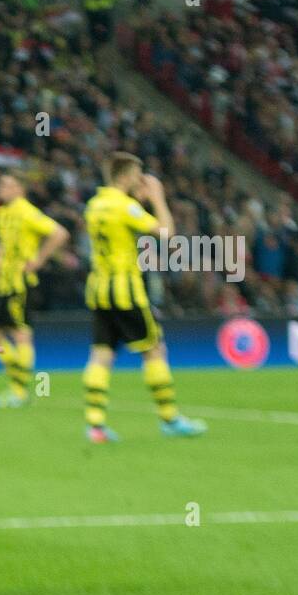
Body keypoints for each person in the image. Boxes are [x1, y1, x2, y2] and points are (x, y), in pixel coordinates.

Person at [81, 152, 207, 442]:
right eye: (137, 176)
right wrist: (158, 198)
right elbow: (166, 233)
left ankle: (95, 425)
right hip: (126, 291)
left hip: (99, 289)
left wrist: (137, 200)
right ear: (125, 176)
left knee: (101, 354)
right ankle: (170, 419)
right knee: (154, 350)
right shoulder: (125, 206)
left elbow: (121, 228)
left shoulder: (95, 205)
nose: (141, 181)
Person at [0, 172, 68, 407]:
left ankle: (18, 391)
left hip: (20, 282)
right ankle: (17, 385)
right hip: (4, 282)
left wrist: (39, 260)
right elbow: (4, 242)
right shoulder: (1, 213)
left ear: (20, 189)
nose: (2, 187)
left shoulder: (26, 211)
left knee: (20, 333)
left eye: (8, 184)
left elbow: (59, 233)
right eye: (1, 183)